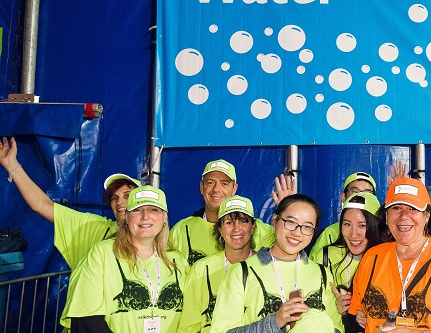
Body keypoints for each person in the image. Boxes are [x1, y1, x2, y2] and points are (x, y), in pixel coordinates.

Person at [347, 177, 431, 333]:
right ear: (386, 216)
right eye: (396, 208)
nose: (404, 216)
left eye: (413, 208)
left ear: (426, 216)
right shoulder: (372, 257)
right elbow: (353, 320)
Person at [0, 136, 140, 268]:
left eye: (127, 196)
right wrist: (11, 164)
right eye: (114, 198)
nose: (119, 202)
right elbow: (42, 204)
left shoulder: (157, 238)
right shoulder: (96, 227)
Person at [210, 194, 343, 333]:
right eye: (291, 222)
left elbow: (336, 328)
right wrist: (274, 322)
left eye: (307, 227)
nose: (297, 233)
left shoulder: (322, 274)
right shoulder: (242, 272)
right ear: (275, 220)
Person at [63, 185, 188, 332]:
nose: (145, 216)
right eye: (137, 209)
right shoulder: (102, 253)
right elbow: (86, 319)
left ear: (165, 217)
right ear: (127, 217)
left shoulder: (177, 260)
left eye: (154, 210)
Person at [169, 159, 280, 265]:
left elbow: (287, 251)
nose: (216, 189)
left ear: (234, 189)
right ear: (201, 187)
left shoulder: (259, 230)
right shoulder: (181, 230)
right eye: (210, 183)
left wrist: (286, 209)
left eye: (224, 183)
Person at [178, 195, 258, 333]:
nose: (236, 229)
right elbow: (188, 326)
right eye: (229, 222)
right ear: (220, 229)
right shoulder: (201, 270)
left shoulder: (265, 266)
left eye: (243, 221)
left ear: (253, 227)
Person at [309, 192, 387, 318]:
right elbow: (311, 309)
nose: (353, 234)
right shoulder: (324, 257)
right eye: (347, 224)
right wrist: (334, 307)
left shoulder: (388, 259)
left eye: (362, 225)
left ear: (376, 226)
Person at [310, 171, 377, 254]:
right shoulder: (330, 233)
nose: (360, 196)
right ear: (343, 197)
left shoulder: (384, 231)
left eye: (367, 193)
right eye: (355, 192)